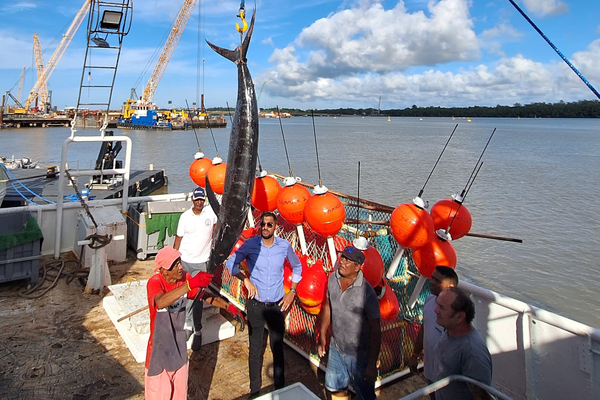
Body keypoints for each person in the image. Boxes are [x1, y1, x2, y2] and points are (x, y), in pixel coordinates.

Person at [145, 246, 244, 400]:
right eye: (175, 264)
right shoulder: (155, 282)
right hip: (159, 353)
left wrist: (228, 306)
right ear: (163, 270)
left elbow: (203, 295)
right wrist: (189, 285)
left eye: (180, 262)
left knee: (180, 395)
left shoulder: (183, 278)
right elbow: (160, 302)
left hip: (179, 349)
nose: (181, 267)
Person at [225, 211, 303, 398]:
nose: (266, 228)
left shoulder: (284, 246)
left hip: (277, 305)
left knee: (277, 347)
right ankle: (255, 391)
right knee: (255, 349)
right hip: (256, 305)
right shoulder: (251, 244)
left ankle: (280, 388)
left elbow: (297, 266)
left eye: (270, 224)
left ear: (276, 227)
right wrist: (245, 280)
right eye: (263, 224)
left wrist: (292, 291)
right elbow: (231, 263)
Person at [318, 246, 382, 400]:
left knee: (364, 395)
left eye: (349, 260)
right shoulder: (333, 279)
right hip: (337, 348)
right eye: (343, 257)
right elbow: (328, 307)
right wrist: (322, 336)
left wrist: (372, 364)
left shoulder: (367, 292)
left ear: (358, 267)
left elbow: (376, 329)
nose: (343, 262)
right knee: (335, 389)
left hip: (360, 355)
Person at [173, 186, 217, 351]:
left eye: (202, 199)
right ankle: (186, 324)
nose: (199, 202)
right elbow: (178, 239)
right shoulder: (185, 217)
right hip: (185, 261)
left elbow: (218, 224)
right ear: (192, 199)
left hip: (202, 262)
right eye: (197, 199)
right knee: (184, 294)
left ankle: (197, 329)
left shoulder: (210, 214)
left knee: (197, 296)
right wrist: (174, 259)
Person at [432, 287, 493, 400]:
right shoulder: (449, 330)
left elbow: (481, 396)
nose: (435, 310)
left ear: (459, 317)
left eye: (441, 307)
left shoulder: (472, 352)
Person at [408, 266, 459, 399]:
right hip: (430, 372)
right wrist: (415, 354)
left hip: (448, 379)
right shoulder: (430, 300)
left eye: (437, 280)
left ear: (451, 286)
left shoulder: (456, 314)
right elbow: (424, 328)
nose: (432, 282)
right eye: (432, 278)